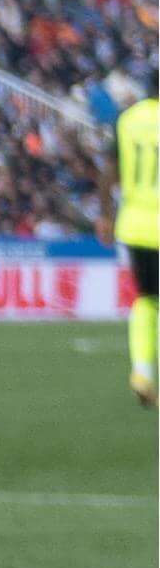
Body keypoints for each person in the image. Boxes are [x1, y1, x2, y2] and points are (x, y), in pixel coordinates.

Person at [113, 76, 157, 408]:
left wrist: (104, 214)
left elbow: (108, 168)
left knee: (146, 299)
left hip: (135, 225)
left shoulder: (128, 119)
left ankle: (142, 372)